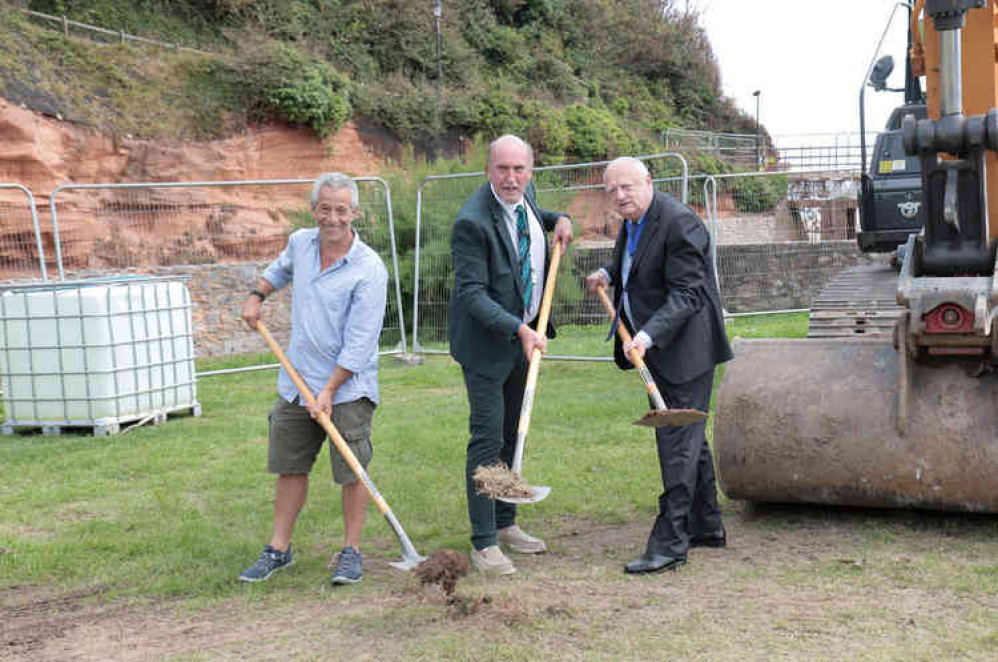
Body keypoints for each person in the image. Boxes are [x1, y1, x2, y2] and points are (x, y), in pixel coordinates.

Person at [238, 172, 388, 585]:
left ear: (354, 212)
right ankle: (278, 549)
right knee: (290, 467)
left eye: (342, 210)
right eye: (326, 209)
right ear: (314, 210)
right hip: (296, 381)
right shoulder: (301, 243)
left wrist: (327, 391)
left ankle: (351, 552)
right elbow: (279, 270)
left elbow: (359, 345)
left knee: (352, 469)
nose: (333, 218)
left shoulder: (368, 269)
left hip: (348, 388)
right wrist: (257, 296)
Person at [585, 157, 732, 575]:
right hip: (657, 348)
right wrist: (605, 273)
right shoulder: (635, 220)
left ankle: (670, 543)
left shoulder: (680, 223)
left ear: (648, 182)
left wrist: (645, 337)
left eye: (627, 187)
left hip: (685, 349)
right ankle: (707, 525)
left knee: (676, 440)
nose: (620, 196)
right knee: (689, 436)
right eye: (612, 190)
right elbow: (632, 267)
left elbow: (688, 294)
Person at [449, 134, 573, 575]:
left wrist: (560, 218)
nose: (511, 177)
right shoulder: (472, 223)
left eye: (519, 169)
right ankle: (483, 543)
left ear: (530, 171)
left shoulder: (525, 196)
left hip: (526, 337)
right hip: (486, 346)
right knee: (486, 440)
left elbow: (533, 217)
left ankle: (505, 524)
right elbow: (471, 295)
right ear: (488, 170)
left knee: (511, 435)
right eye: (502, 169)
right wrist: (518, 328)